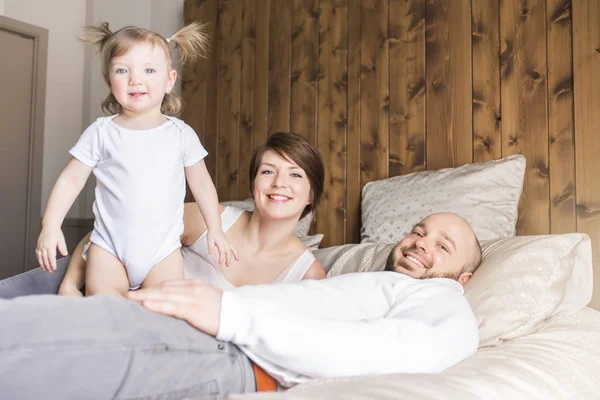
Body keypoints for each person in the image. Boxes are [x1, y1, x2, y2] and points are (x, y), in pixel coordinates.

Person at [0, 212, 482, 399]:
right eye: (418, 231)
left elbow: (392, 353)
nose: (422, 244)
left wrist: (229, 313)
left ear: (464, 276)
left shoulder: (447, 304)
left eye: (443, 246)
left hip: (234, 351)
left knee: (23, 341)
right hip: (209, 326)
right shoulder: (365, 283)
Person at [35, 22, 237, 297]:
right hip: (109, 250)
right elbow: (71, 180)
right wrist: (50, 225)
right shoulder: (101, 132)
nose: (135, 79)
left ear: (169, 80)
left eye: (149, 70)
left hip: (162, 254)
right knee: (106, 313)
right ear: (109, 80)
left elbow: (201, 184)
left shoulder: (181, 134)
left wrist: (216, 228)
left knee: (161, 314)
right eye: (122, 70)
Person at [57, 131, 327, 297]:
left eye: (295, 174)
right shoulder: (208, 220)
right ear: (253, 183)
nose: (279, 182)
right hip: (110, 303)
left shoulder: (307, 275)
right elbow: (112, 229)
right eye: (268, 171)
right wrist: (70, 285)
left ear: (311, 195)